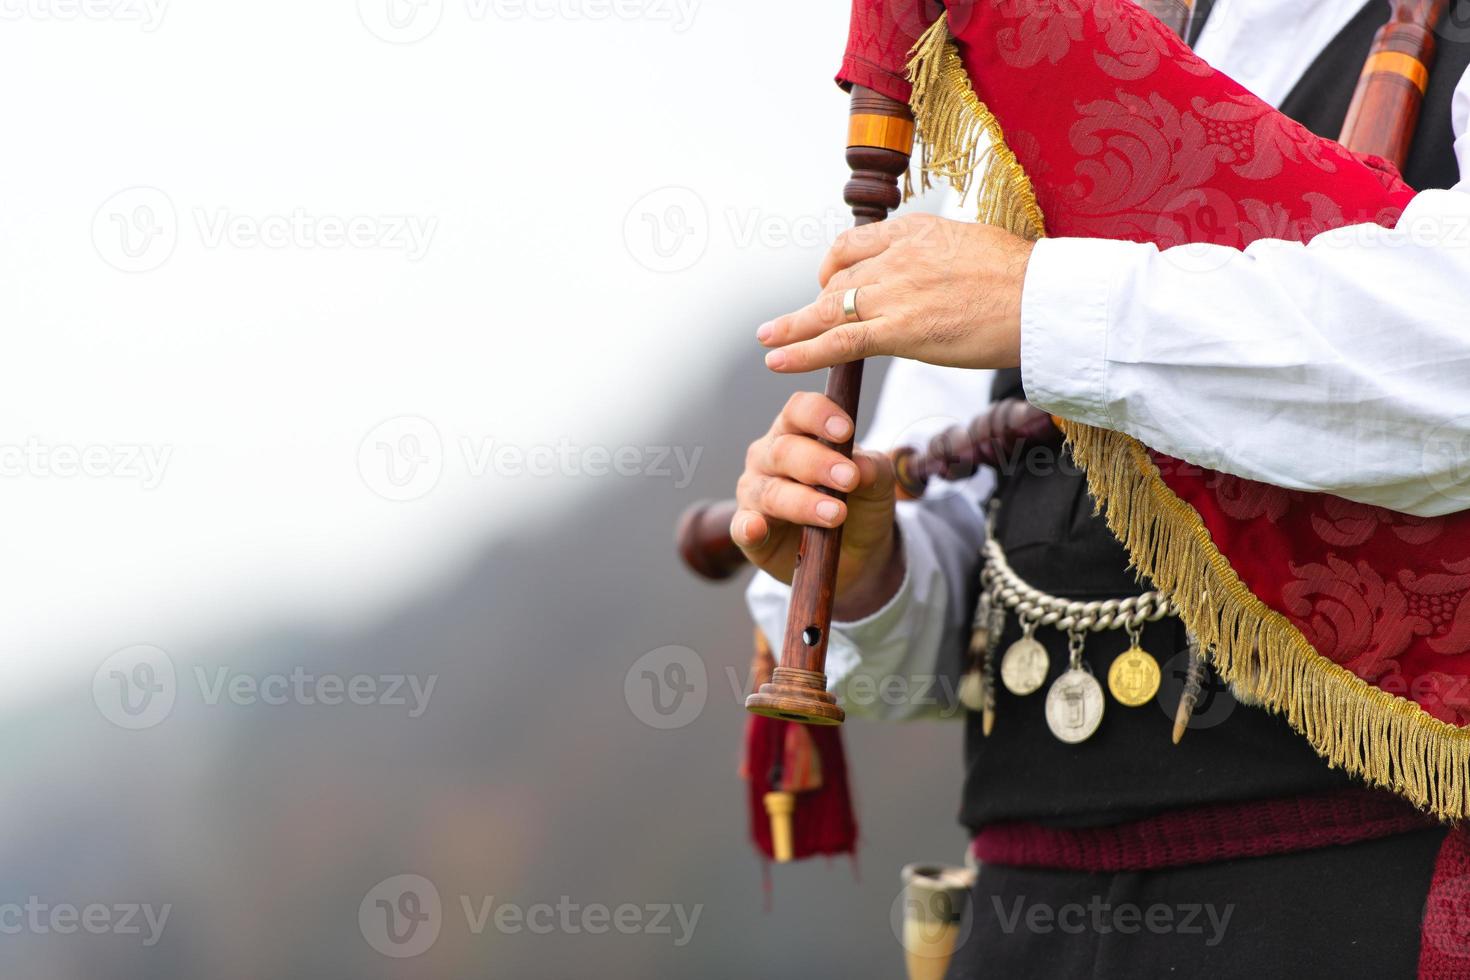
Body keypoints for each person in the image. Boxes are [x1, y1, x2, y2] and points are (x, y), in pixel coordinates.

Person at [735, 0, 1470, 975]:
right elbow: (961, 600)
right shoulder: (1067, 55)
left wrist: (1044, 302)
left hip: (1364, 900)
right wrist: (874, 569)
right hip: (1026, 918)